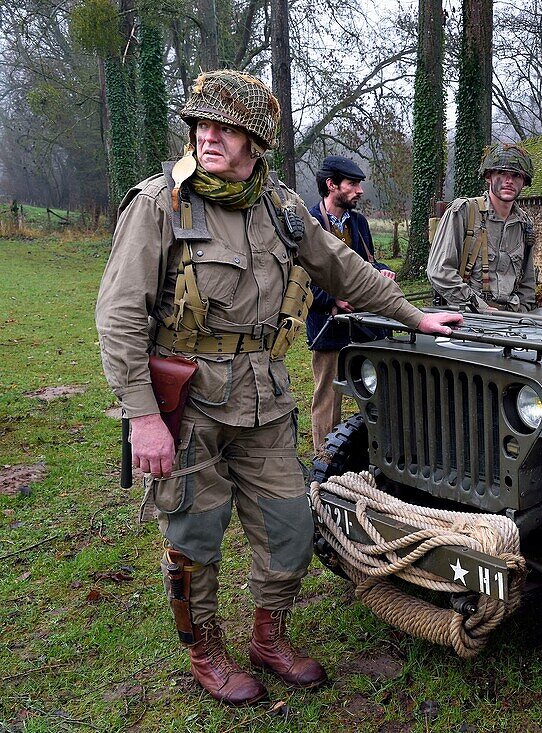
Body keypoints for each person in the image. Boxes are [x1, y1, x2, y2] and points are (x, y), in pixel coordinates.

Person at [95, 70, 462, 706]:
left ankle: (270, 635)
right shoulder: (161, 204)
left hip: (264, 396)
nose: (207, 137)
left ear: (256, 141)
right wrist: (142, 417)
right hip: (187, 400)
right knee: (194, 532)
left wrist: (413, 314)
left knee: (291, 523)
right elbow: (119, 316)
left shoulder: (281, 210)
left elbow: (344, 267)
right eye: (200, 125)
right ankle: (205, 648)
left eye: (225, 128)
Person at [306, 155, 393, 455]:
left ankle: (373, 456)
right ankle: (326, 463)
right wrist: (331, 299)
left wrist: (380, 269)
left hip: (364, 327)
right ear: (332, 185)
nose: (359, 190)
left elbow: (362, 263)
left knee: (371, 392)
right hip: (328, 329)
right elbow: (299, 278)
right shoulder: (309, 222)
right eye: (353, 184)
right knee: (328, 399)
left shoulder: (358, 221)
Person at [428, 143, 537, 312]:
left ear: (524, 181)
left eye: (516, 175)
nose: (509, 181)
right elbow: (440, 271)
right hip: (467, 316)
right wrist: (478, 306)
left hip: (512, 321)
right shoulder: (464, 212)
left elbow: (527, 283)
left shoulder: (525, 224)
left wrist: (521, 312)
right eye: (501, 172)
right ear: (488, 176)